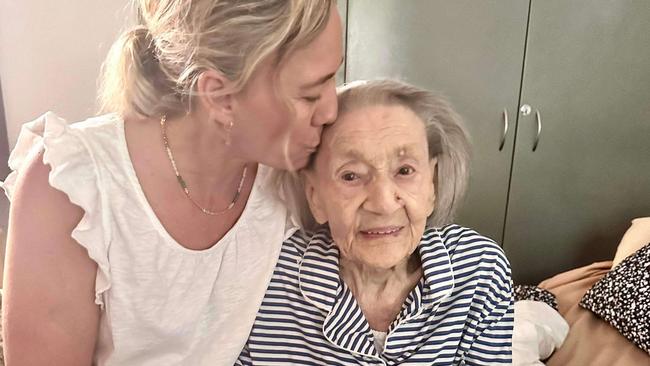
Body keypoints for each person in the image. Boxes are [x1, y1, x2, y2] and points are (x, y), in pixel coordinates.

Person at [1, 1, 342, 365]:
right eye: (309, 95)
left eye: (334, 77)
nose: (331, 111)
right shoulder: (71, 187)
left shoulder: (292, 172)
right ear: (220, 97)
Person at [238, 80, 514, 365]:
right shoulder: (269, 278)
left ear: (432, 184)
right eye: (351, 176)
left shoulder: (479, 270)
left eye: (405, 170)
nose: (382, 203)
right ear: (315, 196)